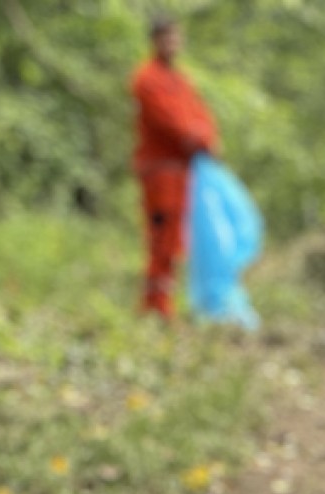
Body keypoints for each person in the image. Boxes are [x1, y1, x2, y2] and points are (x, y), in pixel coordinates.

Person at [131, 16, 220, 319]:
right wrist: (198, 138)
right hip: (160, 172)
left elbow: (200, 114)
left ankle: (162, 304)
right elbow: (170, 122)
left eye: (176, 37)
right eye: (166, 38)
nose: (172, 43)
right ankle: (156, 307)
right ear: (155, 40)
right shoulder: (147, 79)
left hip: (184, 173)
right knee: (162, 238)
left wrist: (209, 137)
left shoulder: (181, 80)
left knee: (175, 239)